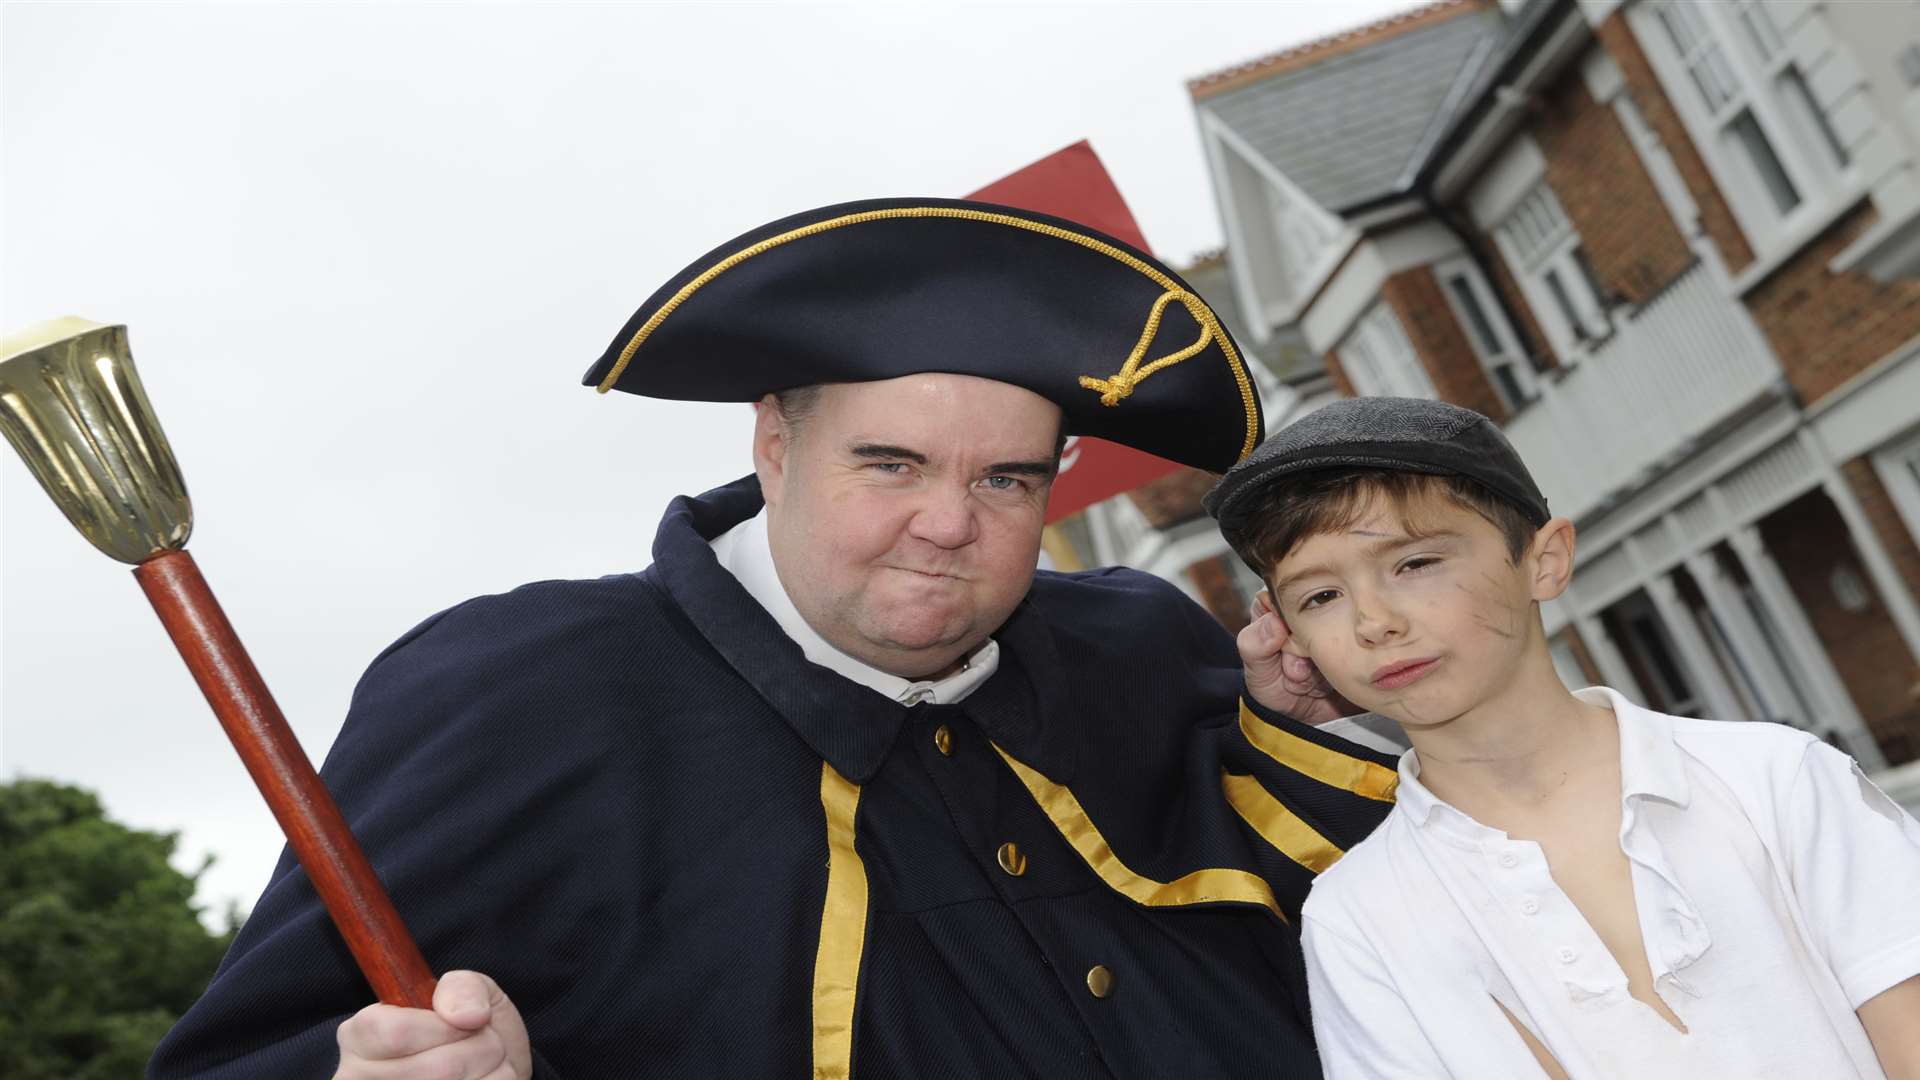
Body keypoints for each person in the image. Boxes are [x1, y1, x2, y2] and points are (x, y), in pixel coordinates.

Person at [149, 197, 1398, 1079]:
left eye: (1009, 482)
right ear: (773, 445)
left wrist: (1296, 735)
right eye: (890, 463)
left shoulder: (1140, 642)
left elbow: (1373, 960)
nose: (947, 524)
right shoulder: (523, 693)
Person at [1202, 395, 1920, 1079]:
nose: (1373, 620)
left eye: (1415, 563)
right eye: (1320, 596)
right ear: (1289, 632)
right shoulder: (1357, 918)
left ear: (1544, 560)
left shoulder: (1772, 779)